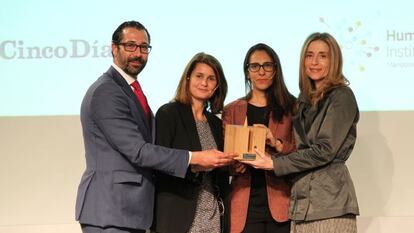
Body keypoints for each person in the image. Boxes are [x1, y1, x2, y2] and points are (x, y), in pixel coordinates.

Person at [75, 21, 235, 233]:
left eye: (144, 47)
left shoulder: (130, 90)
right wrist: (195, 158)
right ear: (114, 48)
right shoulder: (107, 91)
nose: (138, 53)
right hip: (111, 210)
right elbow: (138, 150)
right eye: (130, 45)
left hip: (132, 212)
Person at [242, 32, 360, 233]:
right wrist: (277, 144)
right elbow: (300, 150)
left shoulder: (341, 96)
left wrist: (274, 163)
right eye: (309, 55)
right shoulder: (303, 102)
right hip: (301, 206)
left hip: (329, 204)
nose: (314, 62)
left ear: (334, 61)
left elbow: (324, 150)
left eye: (323, 56)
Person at [152, 52, 230, 233]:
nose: (204, 83)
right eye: (199, 76)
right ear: (188, 79)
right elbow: (158, 163)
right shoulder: (168, 113)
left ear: (217, 86)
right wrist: (195, 165)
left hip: (212, 214)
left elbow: (218, 172)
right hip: (178, 214)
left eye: (211, 79)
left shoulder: (216, 123)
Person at [222, 43, 296, 233]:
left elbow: (302, 153)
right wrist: (235, 163)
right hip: (243, 205)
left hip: (281, 203)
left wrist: (277, 144)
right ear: (247, 72)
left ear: (275, 70)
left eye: (267, 66)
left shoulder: (291, 108)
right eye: (254, 66)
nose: (261, 72)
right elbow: (223, 160)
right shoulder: (232, 110)